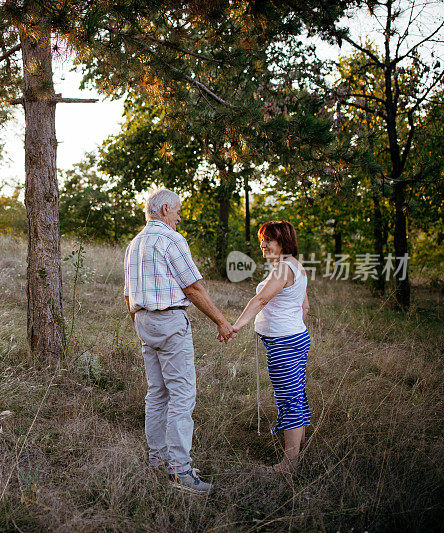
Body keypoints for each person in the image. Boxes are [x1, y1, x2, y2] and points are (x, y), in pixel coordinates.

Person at [124, 188, 236, 495]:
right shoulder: (170, 239)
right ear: (163, 211)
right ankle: (180, 471)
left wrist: (141, 326)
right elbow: (194, 289)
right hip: (169, 322)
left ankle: (157, 460)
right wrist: (222, 322)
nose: (179, 216)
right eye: (177, 211)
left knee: (157, 392)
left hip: (144, 321)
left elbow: (127, 294)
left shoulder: (134, 244)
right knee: (182, 396)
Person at [232, 220, 311, 473]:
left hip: (284, 343)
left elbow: (261, 299)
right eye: (262, 239)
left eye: (269, 239)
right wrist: (290, 327)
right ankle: (297, 452)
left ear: (284, 241)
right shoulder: (295, 266)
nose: (263, 244)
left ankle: (289, 464)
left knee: (289, 400)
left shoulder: (282, 269)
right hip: (297, 338)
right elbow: (304, 307)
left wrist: (236, 326)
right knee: (297, 396)